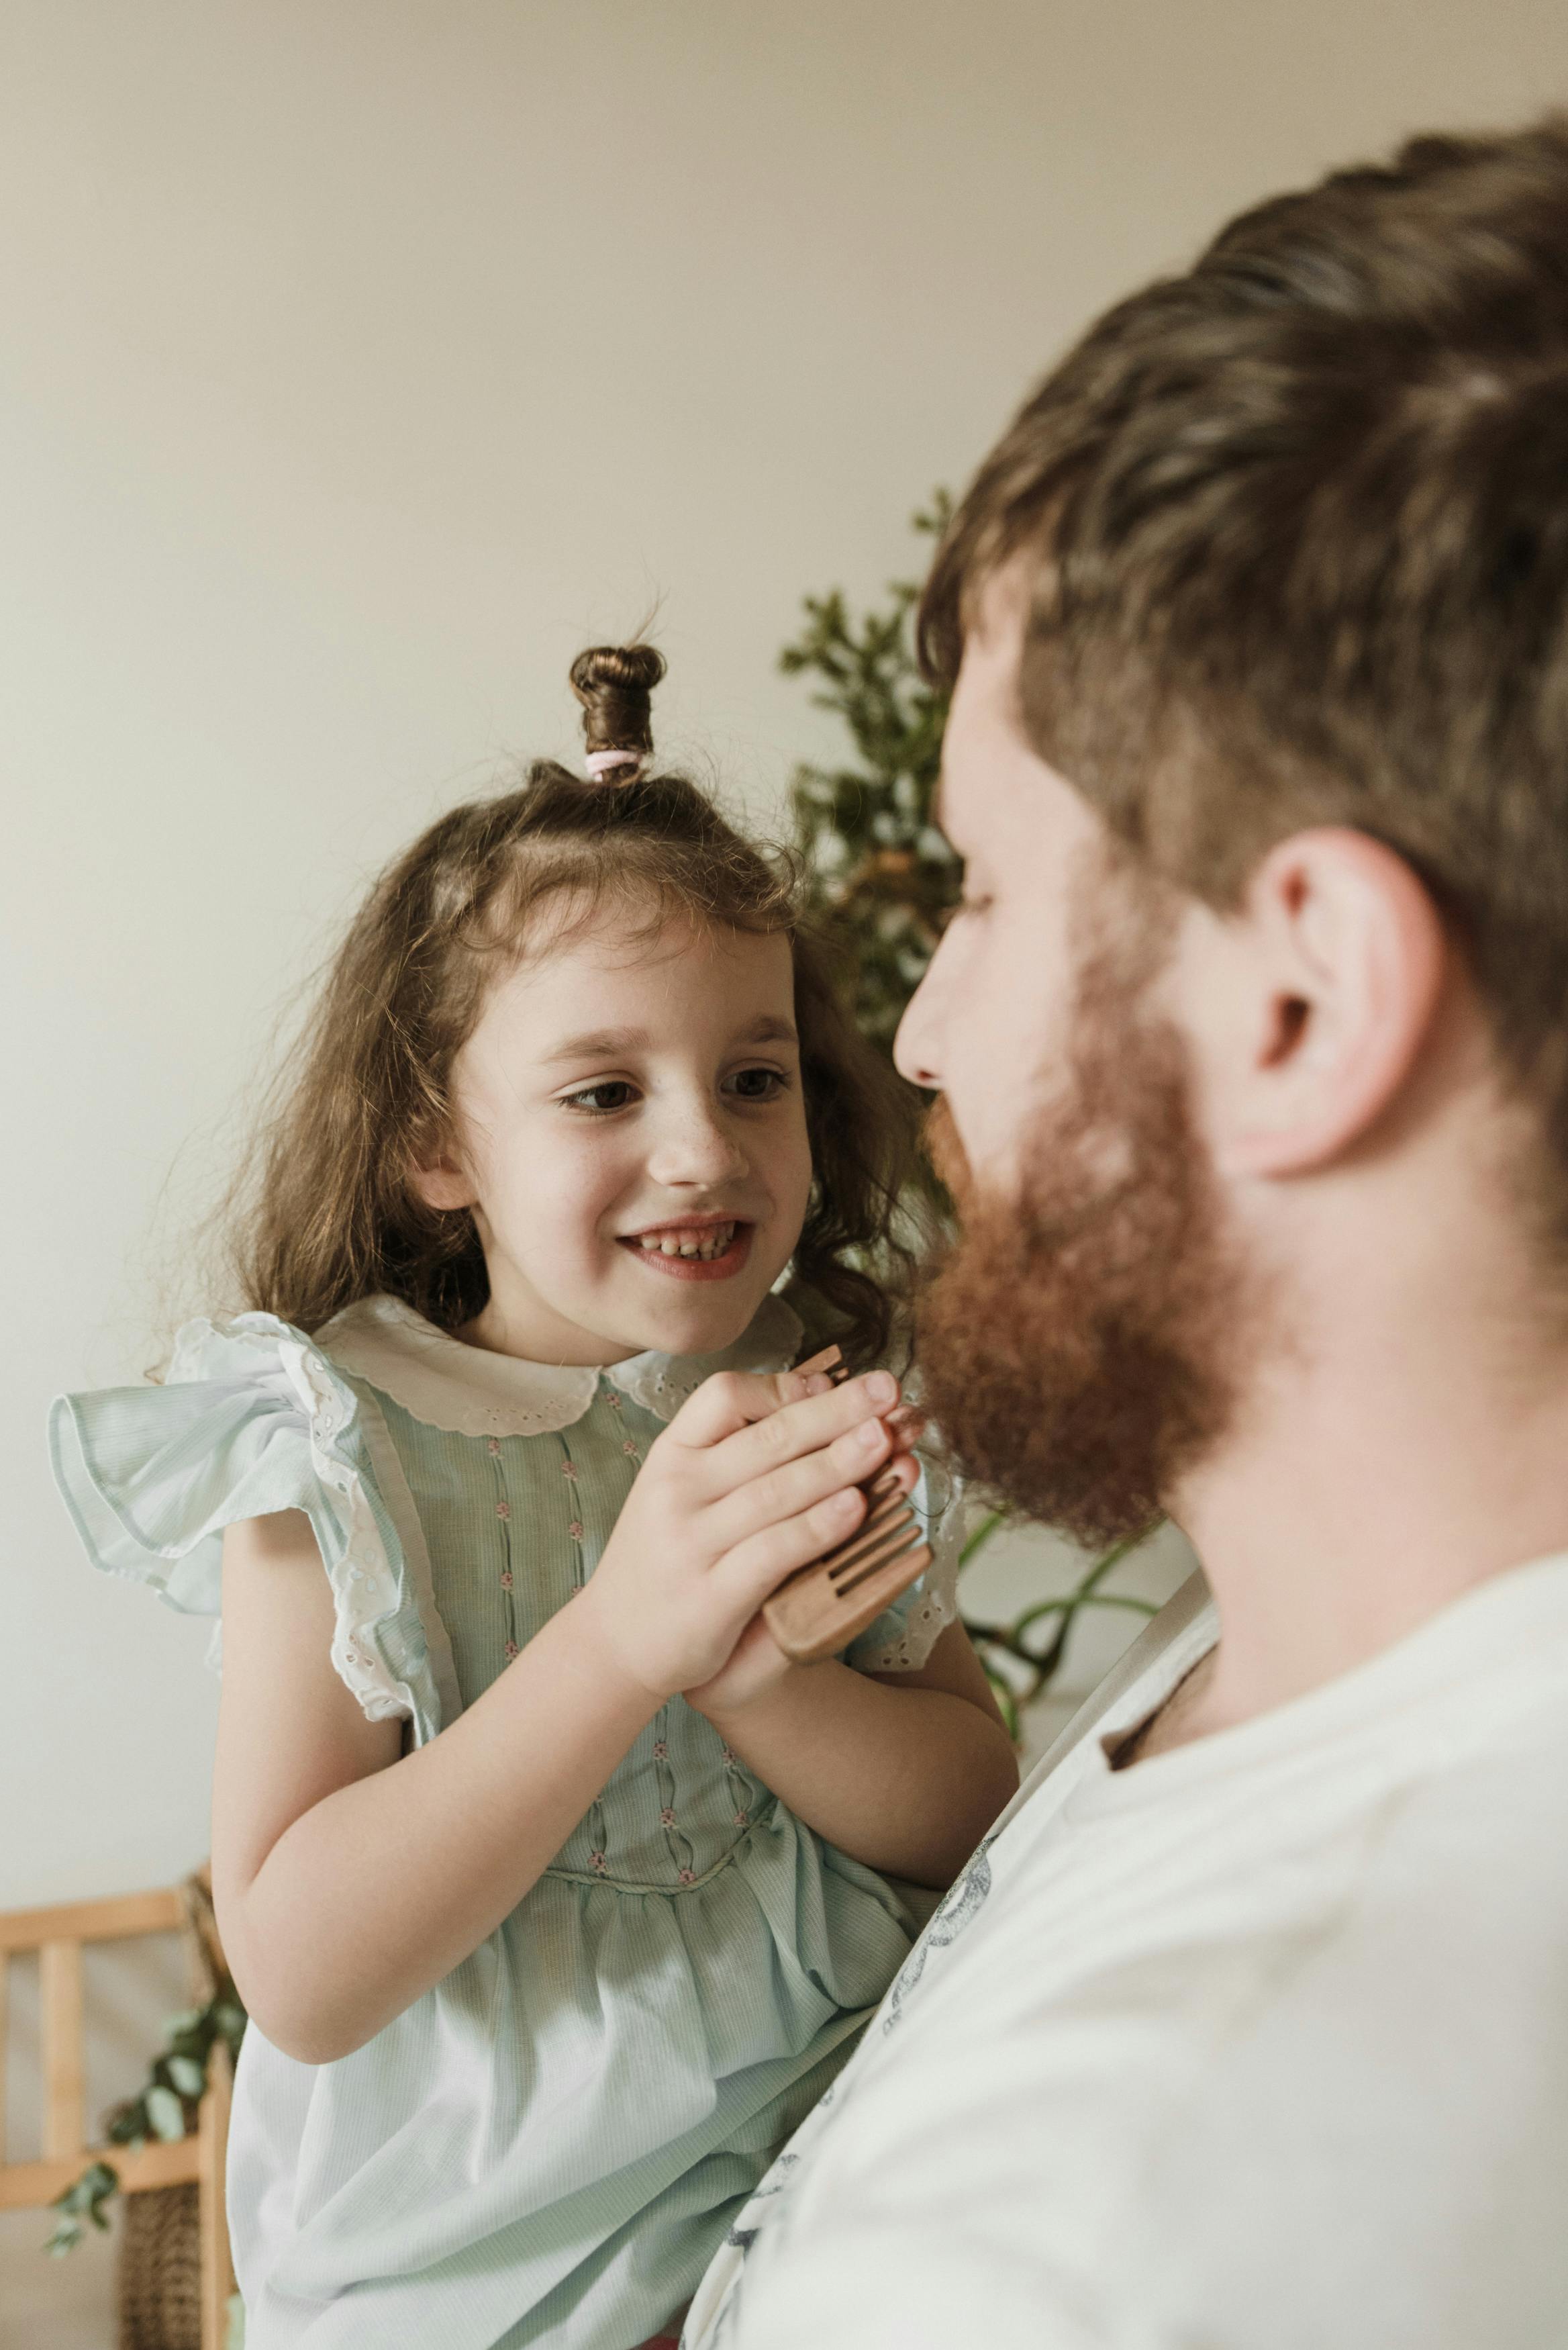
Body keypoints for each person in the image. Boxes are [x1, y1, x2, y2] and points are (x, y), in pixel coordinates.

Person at [685, 120, 1568, 2350]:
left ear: (1301, 1002)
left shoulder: (1106, 2238)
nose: (916, 1024)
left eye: (981, 890)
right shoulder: (1289, 1648)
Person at [49, 645, 1017, 2350]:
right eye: (600, 1093)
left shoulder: (803, 1392)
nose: (705, 1149)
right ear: (440, 1148)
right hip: (470, 2281)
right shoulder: (335, 1448)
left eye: (755, 1074)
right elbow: (300, 1969)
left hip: (810, 2190)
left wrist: (763, 1681)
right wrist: (622, 1642)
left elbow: (966, 1804)